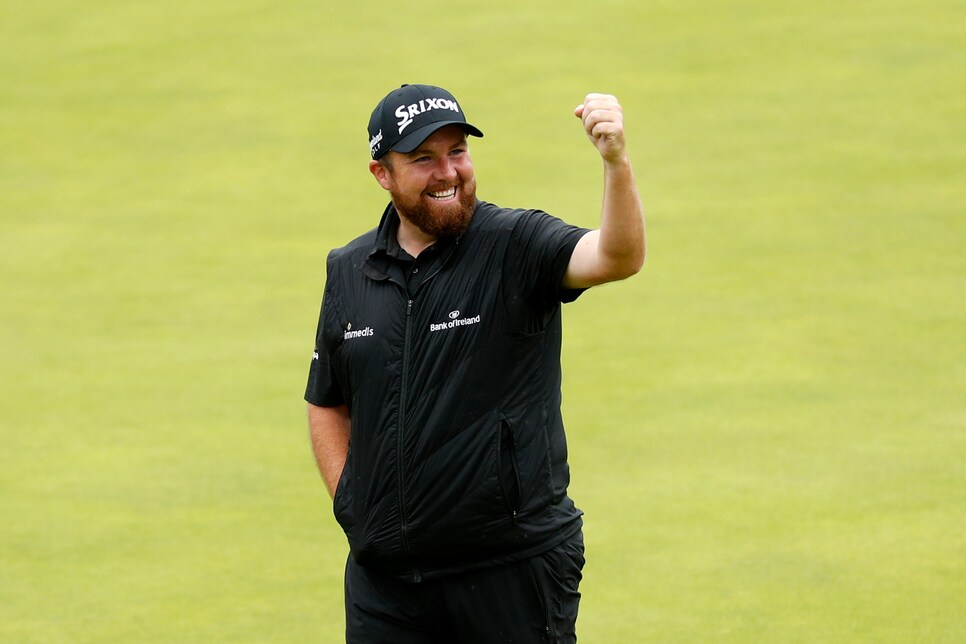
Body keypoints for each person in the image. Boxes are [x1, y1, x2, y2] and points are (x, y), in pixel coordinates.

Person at [305, 83, 645, 644]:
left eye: (457, 152)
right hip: (385, 585)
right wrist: (354, 504)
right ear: (381, 174)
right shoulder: (349, 270)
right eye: (423, 159)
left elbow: (617, 256)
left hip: (509, 570)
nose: (447, 172)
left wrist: (616, 163)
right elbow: (327, 399)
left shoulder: (515, 244)